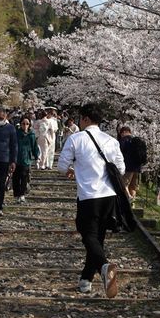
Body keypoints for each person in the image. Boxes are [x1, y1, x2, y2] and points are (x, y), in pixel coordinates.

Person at [56, 104, 125, 298]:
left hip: (88, 196)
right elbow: (120, 168)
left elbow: (62, 165)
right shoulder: (111, 140)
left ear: (85, 119)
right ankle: (86, 280)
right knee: (97, 237)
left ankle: (104, 267)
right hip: (109, 196)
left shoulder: (76, 139)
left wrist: (71, 170)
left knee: (88, 234)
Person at [12, 117, 40, 203]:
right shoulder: (16, 134)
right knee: (16, 177)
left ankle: (22, 194)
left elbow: (34, 146)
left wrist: (36, 156)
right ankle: (16, 194)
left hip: (26, 159)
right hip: (16, 159)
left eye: (27, 124)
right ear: (20, 124)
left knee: (24, 177)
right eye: (23, 123)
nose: (25, 125)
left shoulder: (31, 135)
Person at [117, 126, 147, 201]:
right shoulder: (137, 140)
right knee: (133, 186)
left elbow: (119, 153)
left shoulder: (124, 140)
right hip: (137, 167)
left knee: (123, 184)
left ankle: (129, 198)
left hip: (128, 167)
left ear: (123, 132)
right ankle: (132, 203)